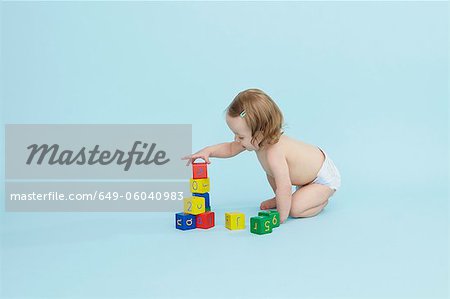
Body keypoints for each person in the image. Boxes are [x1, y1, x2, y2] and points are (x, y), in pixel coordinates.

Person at [182, 88, 341, 224]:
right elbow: (230, 149)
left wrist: (281, 216)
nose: (236, 140)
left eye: (241, 137)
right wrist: (208, 151)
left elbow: (285, 186)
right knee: (272, 174)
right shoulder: (256, 140)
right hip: (303, 177)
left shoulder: (274, 153)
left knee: (295, 208)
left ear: (260, 134)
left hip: (321, 178)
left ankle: (321, 200)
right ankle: (284, 199)